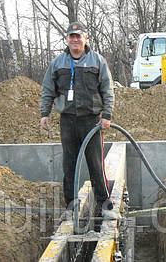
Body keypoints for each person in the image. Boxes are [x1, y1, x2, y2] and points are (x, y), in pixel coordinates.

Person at [40, 21, 114, 214]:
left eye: (78, 36)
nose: (75, 40)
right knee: (69, 166)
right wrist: (44, 114)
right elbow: (48, 90)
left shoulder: (97, 61)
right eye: (71, 37)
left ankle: (104, 204)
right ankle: (71, 206)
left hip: (91, 121)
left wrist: (106, 115)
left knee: (96, 165)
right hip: (67, 121)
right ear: (67, 39)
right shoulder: (57, 63)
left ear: (85, 38)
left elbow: (108, 89)